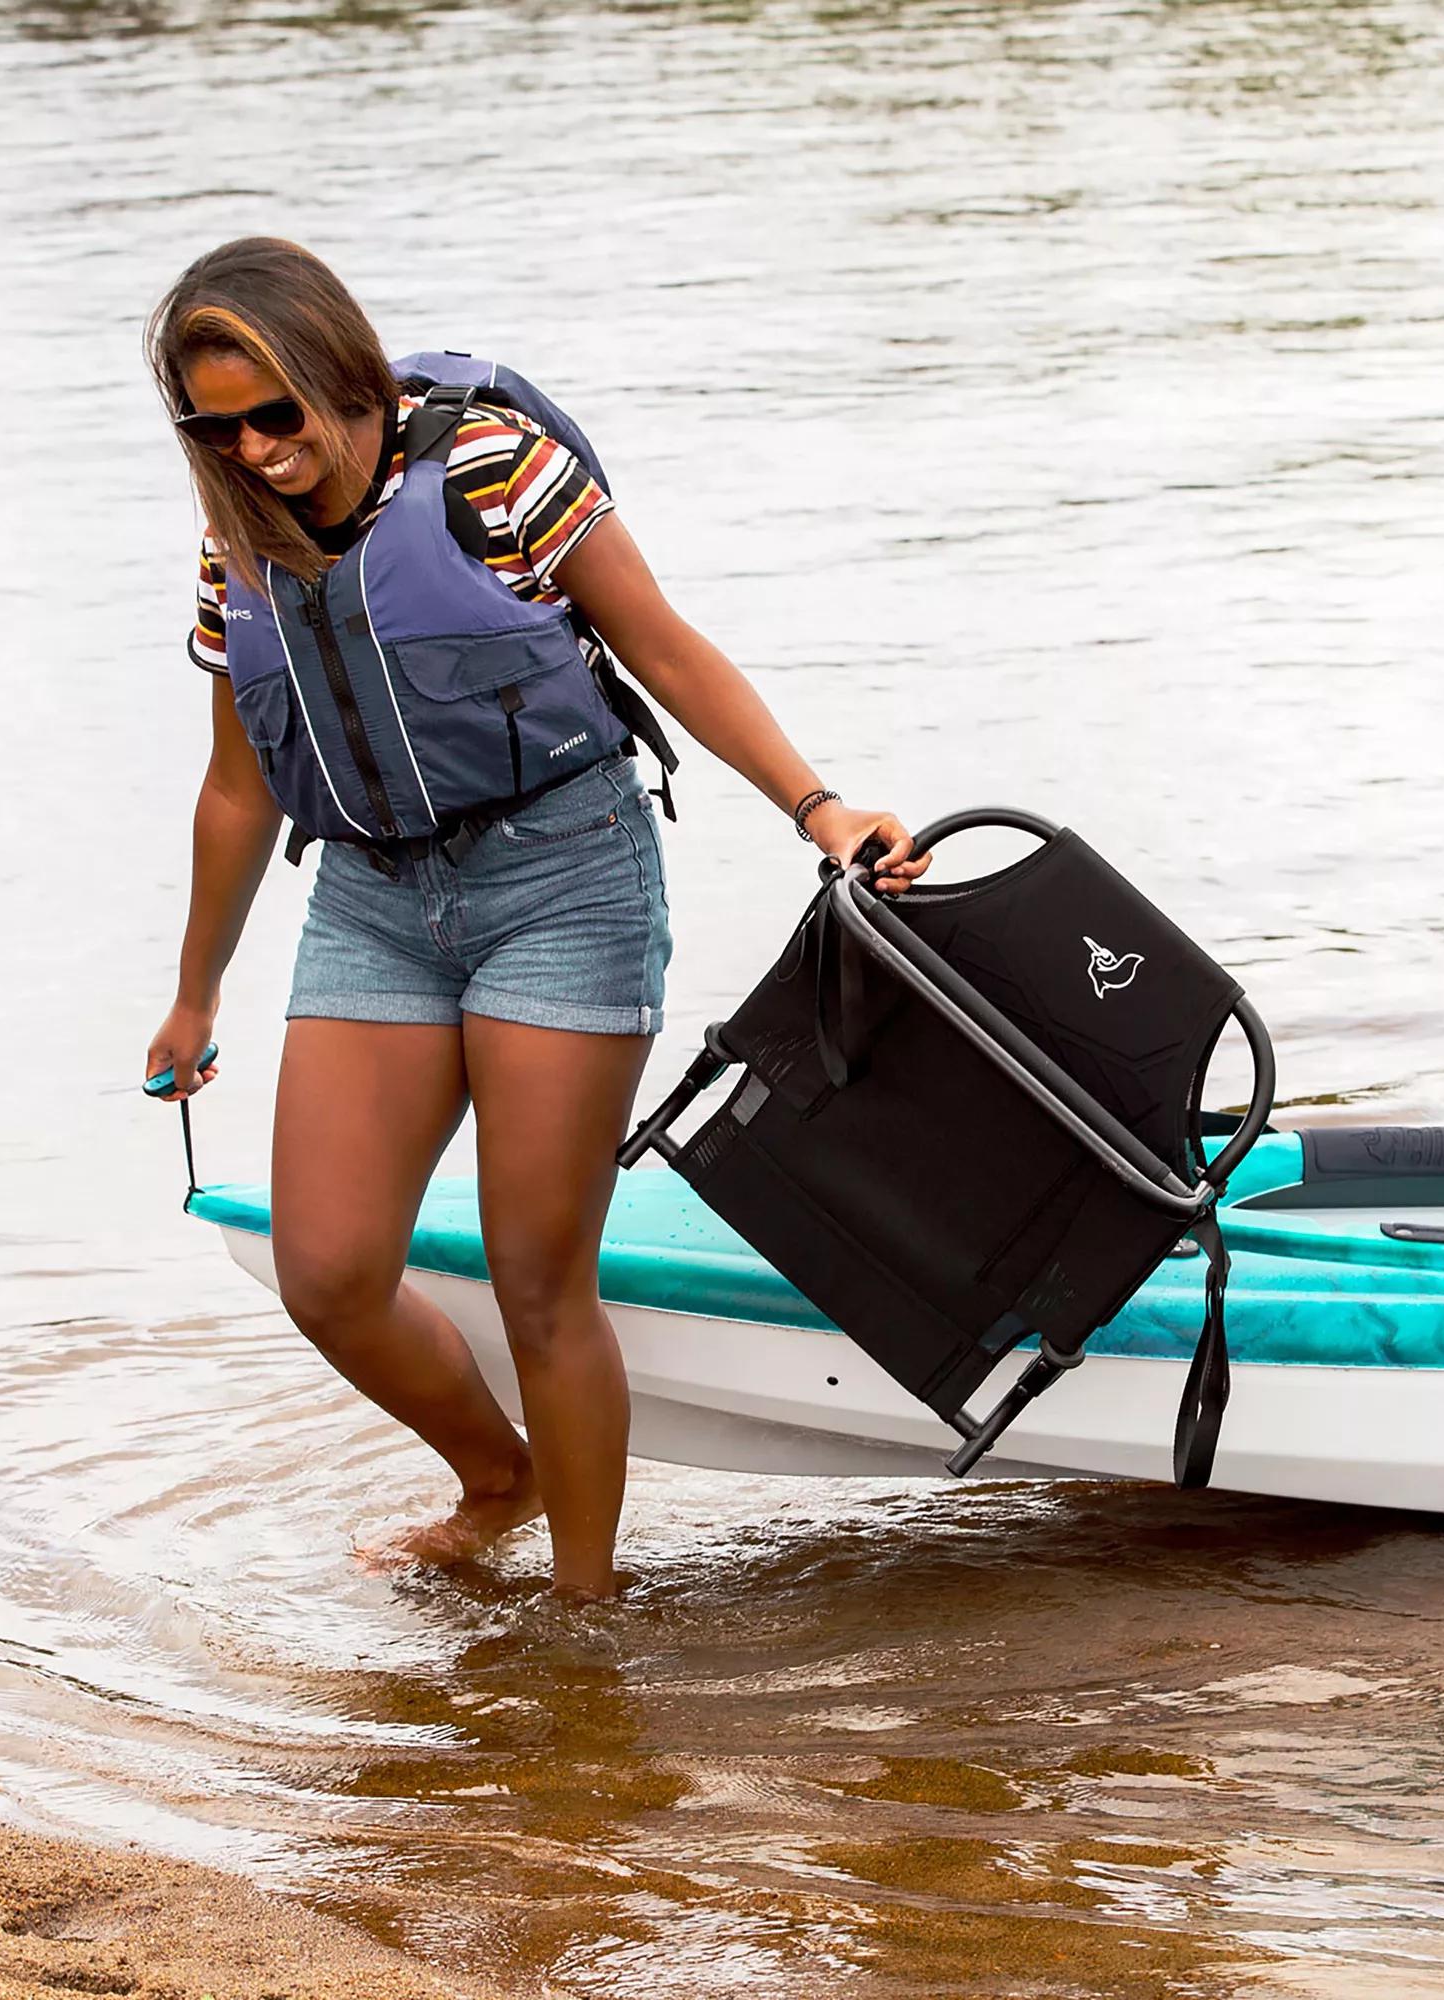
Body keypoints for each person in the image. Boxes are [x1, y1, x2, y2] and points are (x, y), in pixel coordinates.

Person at [144, 237, 928, 1601]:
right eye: (220, 430)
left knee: (537, 1278)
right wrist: (195, 992)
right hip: (375, 902)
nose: (259, 454)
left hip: (563, 881)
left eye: (278, 416)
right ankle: (493, 1477)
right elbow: (235, 788)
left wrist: (821, 808)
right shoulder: (237, 547)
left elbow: (669, 653)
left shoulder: (496, 470)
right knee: (326, 1271)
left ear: (340, 367)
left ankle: (585, 1612)